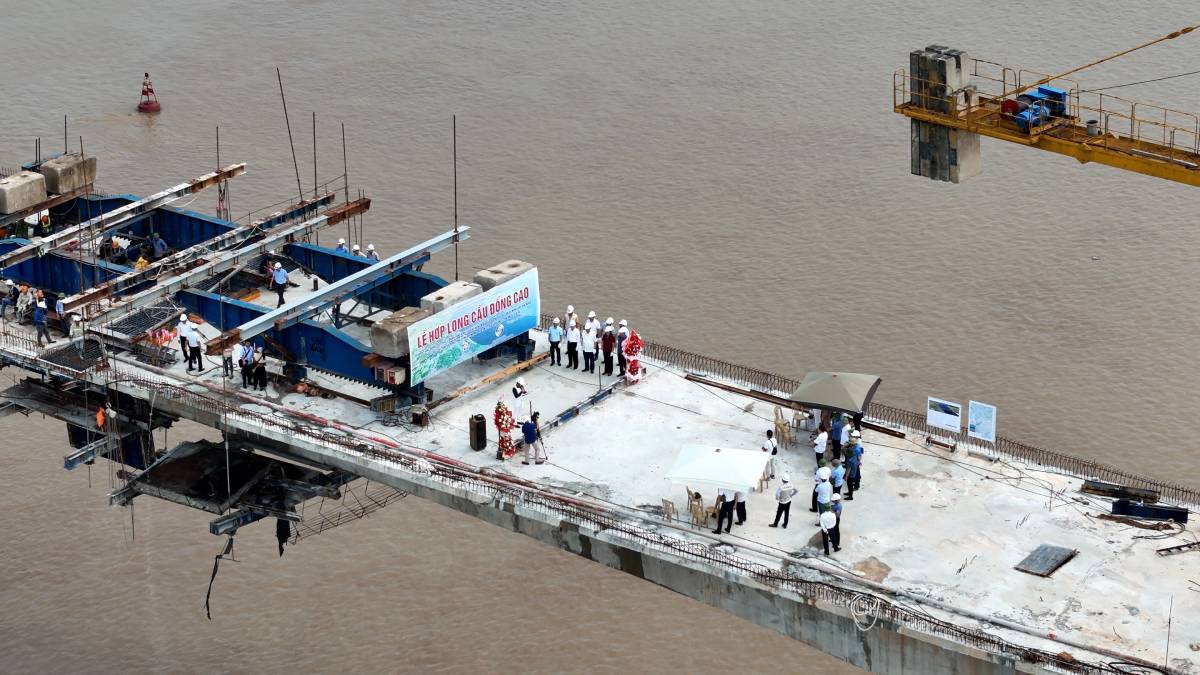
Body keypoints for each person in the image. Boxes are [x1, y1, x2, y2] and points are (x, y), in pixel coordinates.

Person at [845, 430, 863, 498]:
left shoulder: (857, 446)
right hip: (856, 461)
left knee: (856, 474)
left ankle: (856, 486)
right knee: (856, 473)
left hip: (855, 463)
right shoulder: (856, 444)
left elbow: (860, 454)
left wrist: (846, 476)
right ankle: (851, 491)